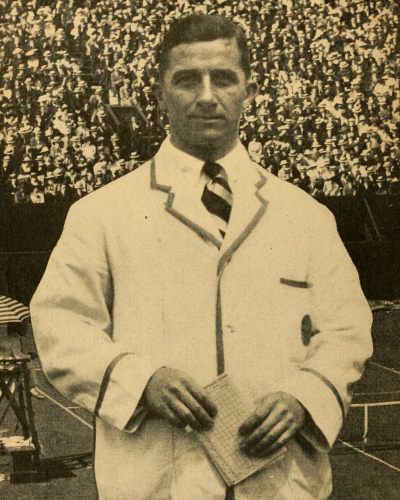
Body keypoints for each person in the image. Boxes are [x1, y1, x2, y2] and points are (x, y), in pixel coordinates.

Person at [30, 15, 373, 500]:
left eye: (224, 78)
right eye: (187, 79)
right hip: (155, 482)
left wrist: (305, 396)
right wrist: (141, 381)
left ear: (250, 90)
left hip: (282, 483)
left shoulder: (307, 216)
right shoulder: (100, 214)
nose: (207, 96)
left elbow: (347, 332)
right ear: (160, 92)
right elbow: (61, 325)